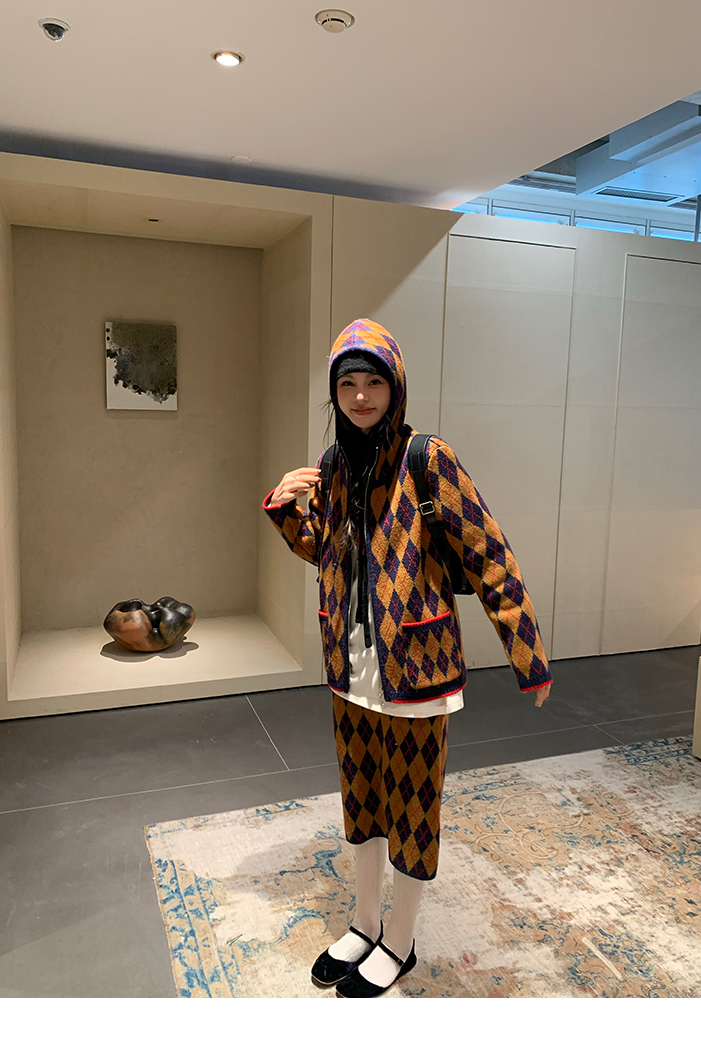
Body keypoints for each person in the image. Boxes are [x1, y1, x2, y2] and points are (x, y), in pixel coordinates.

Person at [262, 318, 552, 998]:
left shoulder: (429, 458)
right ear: (334, 392)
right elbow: (326, 551)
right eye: (348, 384)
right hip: (351, 668)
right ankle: (364, 923)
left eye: (374, 382)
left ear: (395, 387)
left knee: (413, 811)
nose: (361, 397)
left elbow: (487, 554)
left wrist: (527, 651)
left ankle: (400, 940)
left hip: (418, 672)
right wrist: (285, 508)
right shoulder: (334, 464)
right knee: (362, 804)